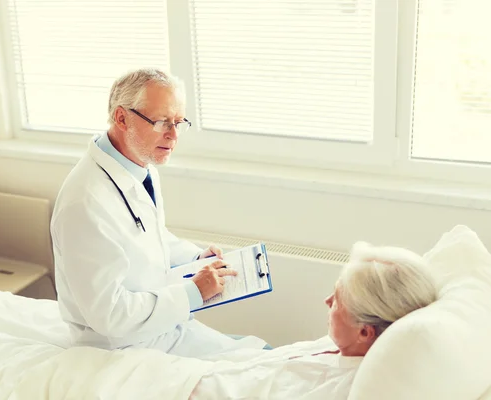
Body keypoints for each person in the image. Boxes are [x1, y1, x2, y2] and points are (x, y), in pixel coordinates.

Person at [51, 68, 267, 357]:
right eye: (162, 122)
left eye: (179, 122)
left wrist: (194, 258)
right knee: (259, 366)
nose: (174, 135)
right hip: (121, 348)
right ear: (121, 118)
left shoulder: (139, 166)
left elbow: (145, 236)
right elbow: (109, 314)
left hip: (159, 328)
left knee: (263, 353)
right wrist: (193, 293)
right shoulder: (85, 202)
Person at [190, 241, 439, 399]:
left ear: (365, 332)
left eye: (338, 300)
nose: (327, 301)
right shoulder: (338, 348)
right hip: (201, 370)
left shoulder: (340, 388)